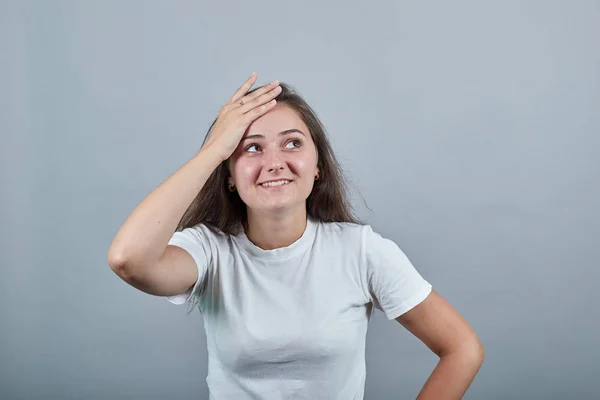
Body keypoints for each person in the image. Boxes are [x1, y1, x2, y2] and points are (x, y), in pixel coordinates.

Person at [108, 73, 485, 399]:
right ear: (228, 176)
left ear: (318, 166)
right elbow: (129, 259)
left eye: (292, 143)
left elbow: (462, 348)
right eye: (251, 148)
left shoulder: (360, 250)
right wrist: (214, 149)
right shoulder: (209, 250)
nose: (274, 162)